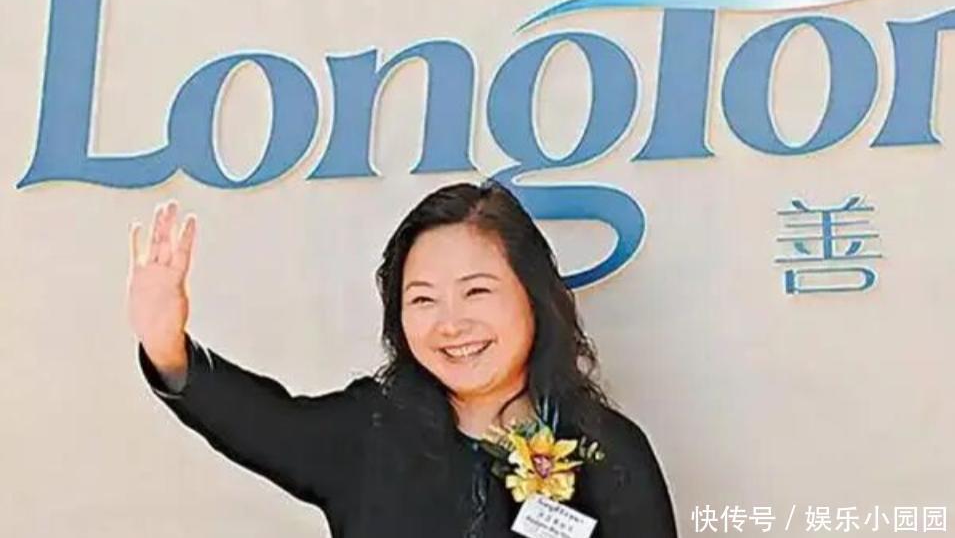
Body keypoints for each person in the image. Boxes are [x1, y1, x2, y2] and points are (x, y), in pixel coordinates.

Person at [127, 179, 678, 538]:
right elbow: (260, 421)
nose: (451, 323)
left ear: (534, 298)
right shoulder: (369, 431)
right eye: (422, 299)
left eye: (476, 292)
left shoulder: (609, 451)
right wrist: (165, 343)